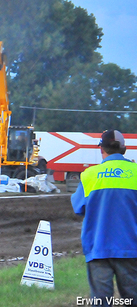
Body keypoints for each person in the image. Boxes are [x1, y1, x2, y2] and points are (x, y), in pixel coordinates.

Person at [71, 129, 137, 306]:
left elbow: (78, 207)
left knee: (101, 301)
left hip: (98, 248)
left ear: (102, 150)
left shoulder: (89, 176)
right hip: (131, 248)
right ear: (124, 149)